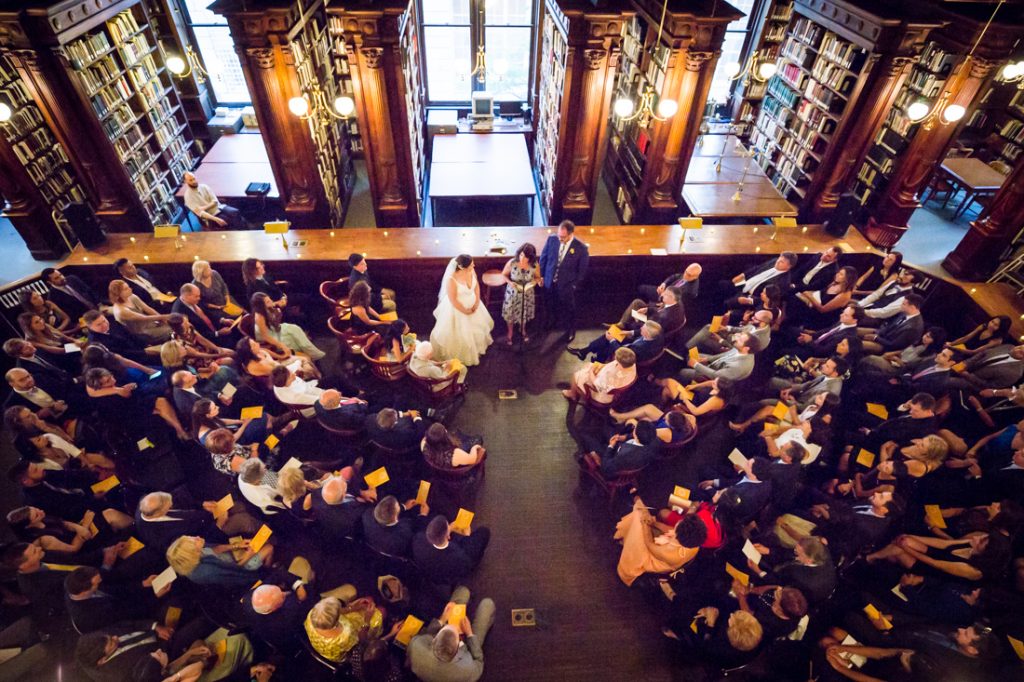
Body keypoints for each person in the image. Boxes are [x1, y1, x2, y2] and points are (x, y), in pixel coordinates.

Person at [407, 586, 495, 682]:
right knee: (488, 604)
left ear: (434, 639)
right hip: (469, 649)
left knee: (463, 591)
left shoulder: (415, 648)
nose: (453, 626)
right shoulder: (468, 671)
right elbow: (478, 662)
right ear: (459, 645)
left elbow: (424, 635)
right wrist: (469, 634)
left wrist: (442, 619)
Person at [613, 498, 706, 586]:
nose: (678, 522)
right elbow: (671, 530)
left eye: (679, 523)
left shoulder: (672, 555)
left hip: (653, 557)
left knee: (638, 518)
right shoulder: (694, 541)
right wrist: (653, 523)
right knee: (641, 514)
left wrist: (645, 522)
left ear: (678, 535)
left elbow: (649, 544)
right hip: (661, 548)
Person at [429, 254, 494, 366]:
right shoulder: (451, 280)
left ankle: (476, 349)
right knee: (461, 334)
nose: (474, 266)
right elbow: (453, 300)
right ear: (463, 267)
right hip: (458, 309)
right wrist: (465, 311)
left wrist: (477, 301)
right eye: (471, 265)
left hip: (474, 304)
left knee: (476, 330)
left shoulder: (472, 272)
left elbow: (477, 286)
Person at [539, 219, 589, 341]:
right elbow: (543, 258)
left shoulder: (581, 248)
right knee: (550, 304)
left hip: (566, 285)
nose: (560, 239)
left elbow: (582, 270)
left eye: (563, 237)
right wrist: (541, 276)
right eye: (559, 235)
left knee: (568, 309)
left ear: (571, 234)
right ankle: (552, 322)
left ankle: (570, 329)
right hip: (550, 281)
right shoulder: (552, 239)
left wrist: (574, 285)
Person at [166, 534, 271, 590]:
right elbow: (234, 572)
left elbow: (215, 549)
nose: (197, 537)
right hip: (240, 568)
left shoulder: (196, 554)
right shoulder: (206, 572)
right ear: (192, 553)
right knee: (269, 547)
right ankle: (268, 569)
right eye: (194, 541)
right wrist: (248, 556)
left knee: (263, 539)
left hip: (230, 559)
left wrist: (237, 545)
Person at [412, 515, 490, 583]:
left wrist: (449, 529)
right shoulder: (458, 556)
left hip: (432, 574)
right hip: (451, 573)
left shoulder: (418, 539)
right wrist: (467, 536)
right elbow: (467, 561)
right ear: (448, 536)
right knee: (484, 531)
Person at [305, 596, 383, 663]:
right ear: (336, 621)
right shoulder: (345, 636)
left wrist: (352, 607)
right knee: (381, 612)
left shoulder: (311, 615)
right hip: (348, 652)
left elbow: (337, 611)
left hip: (323, 648)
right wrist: (367, 620)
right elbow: (362, 642)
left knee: (369, 599)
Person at [251, 292, 325, 360]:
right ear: (261, 305)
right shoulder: (259, 316)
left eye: (269, 299)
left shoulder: (268, 308)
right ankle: (310, 355)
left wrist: (278, 313)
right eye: (267, 301)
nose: (271, 301)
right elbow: (265, 337)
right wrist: (281, 346)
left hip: (274, 329)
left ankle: (313, 353)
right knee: (292, 340)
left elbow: (275, 323)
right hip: (269, 337)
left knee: (295, 329)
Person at [499, 243, 542, 345]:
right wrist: (510, 282)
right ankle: (510, 333)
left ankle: (522, 330)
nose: (522, 258)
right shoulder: (512, 263)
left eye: (526, 257)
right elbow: (503, 275)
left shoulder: (534, 265)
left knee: (524, 312)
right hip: (513, 292)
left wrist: (535, 282)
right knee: (510, 313)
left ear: (530, 257)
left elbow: (537, 277)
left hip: (527, 293)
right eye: (521, 255)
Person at [562, 346, 637, 404]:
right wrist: (601, 367)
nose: (614, 357)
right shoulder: (631, 364)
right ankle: (576, 388)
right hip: (607, 384)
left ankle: (572, 394)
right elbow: (611, 366)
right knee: (588, 365)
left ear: (620, 363)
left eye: (616, 357)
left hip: (601, 394)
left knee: (575, 375)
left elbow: (597, 385)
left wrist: (591, 371)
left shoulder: (612, 375)